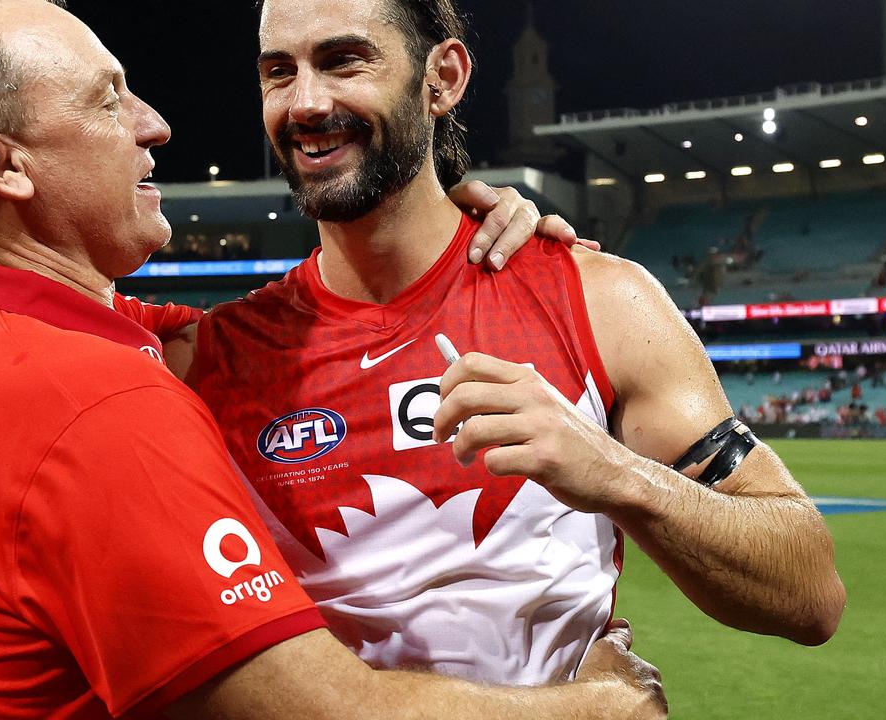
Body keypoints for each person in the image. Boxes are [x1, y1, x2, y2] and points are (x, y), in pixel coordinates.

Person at [0, 1, 665, 718]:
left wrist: (434, 212)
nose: (154, 124)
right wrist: (602, 706)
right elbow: (321, 711)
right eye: (108, 100)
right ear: (3, 165)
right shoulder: (97, 404)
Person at [182, 0, 844, 688]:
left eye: (344, 61)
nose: (307, 102)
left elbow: (812, 595)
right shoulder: (211, 356)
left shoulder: (598, 299)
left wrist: (617, 476)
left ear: (442, 78)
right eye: (278, 72)